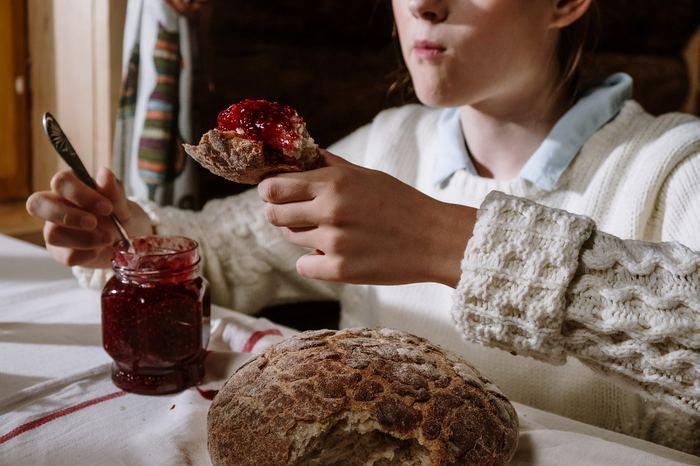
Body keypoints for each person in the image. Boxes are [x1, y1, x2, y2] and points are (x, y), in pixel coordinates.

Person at [26, 0, 699, 455]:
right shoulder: (389, 143)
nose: (423, 3)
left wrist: (450, 244)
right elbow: (227, 253)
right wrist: (132, 234)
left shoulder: (673, 166)